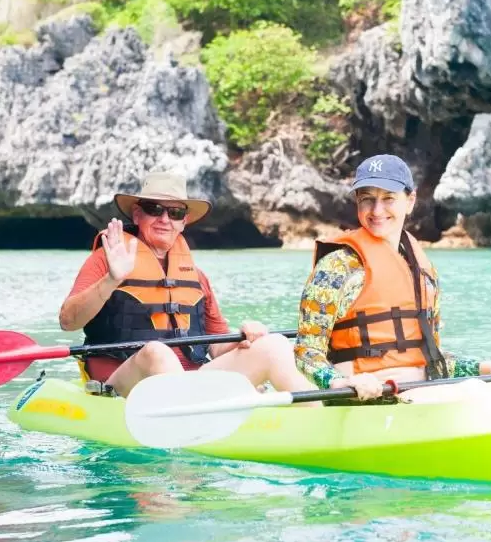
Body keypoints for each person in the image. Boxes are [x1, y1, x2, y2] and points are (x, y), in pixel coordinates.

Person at [294, 154, 491, 402]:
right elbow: (306, 352)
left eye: (388, 199)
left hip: (419, 391)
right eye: (367, 199)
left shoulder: (424, 272)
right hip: (361, 397)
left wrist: (490, 367)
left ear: (410, 201)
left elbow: (433, 358)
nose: (377, 210)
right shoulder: (336, 267)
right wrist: (339, 382)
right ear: (357, 202)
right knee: (474, 393)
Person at [59, 171, 318, 398]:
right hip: (122, 382)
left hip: (192, 382)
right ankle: (197, 418)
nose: (164, 219)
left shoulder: (196, 276)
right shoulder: (105, 260)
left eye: (175, 212)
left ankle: (316, 414)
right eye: (154, 209)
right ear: (137, 215)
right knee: (156, 352)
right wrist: (112, 279)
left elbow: (217, 345)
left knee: (272, 345)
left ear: (184, 222)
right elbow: (69, 322)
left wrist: (247, 336)